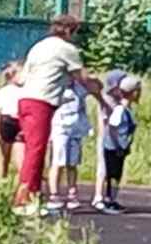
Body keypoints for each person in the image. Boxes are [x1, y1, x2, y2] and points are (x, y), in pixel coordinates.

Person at [14, 16, 101, 215]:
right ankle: (25, 199)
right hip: (41, 102)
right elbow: (82, 78)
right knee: (36, 151)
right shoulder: (66, 50)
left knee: (33, 150)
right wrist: (99, 90)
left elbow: (22, 78)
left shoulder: (39, 46)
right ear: (69, 31)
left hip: (25, 99)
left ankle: (31, 196)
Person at [47, 78, 97, 213]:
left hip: (76, 128)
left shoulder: (79, 87)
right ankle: (54, 194)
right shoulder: (56, 87)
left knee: (72, 163)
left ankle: (72, 193)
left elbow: (95, 87)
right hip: (60, 127)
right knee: (58, 162)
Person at [94, 74, 141, 214]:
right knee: (113, 175)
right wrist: (118, 146)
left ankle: (112, 199)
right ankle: (109, 200)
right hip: (114, 148)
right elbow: (112, 127)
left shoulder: (126, 109)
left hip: (119, 147)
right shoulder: (120, 109)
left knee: (116, 175)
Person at [0, 62, 24, 181]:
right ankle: (0, 183)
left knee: (20, 158)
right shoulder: (4, 91)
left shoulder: (26, 90)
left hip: (20, 123)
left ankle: (21, 185)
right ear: (12, 75)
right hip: (6, 122)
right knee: (3, 158)